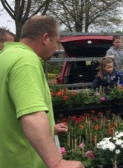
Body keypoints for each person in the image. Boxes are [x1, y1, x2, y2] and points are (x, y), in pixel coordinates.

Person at [0, 15, 84, 168]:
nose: (56, 48)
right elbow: (31, 115)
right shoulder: (26, 62)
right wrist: (57, 162)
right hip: (25, 161)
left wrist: (49, 129)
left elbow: (8, 108)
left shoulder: (5, 57)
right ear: (46, 38)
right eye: (56, 41)